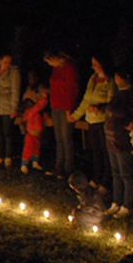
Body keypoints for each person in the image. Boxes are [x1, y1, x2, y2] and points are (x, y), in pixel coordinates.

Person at [68, 56, 113, 187]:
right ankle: (96, 177)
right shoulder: (93, 79)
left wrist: (100, 108)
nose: (93, 67)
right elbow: (86, 100)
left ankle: (106, 181)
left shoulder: (110, 81)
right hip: (91, 121)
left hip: (103, 121)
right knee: (96, 150)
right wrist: (76, 115)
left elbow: (112, 102)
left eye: (95, 64)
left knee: (105, 152)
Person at [104, 71, 133, 220]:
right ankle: (116, 202)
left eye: (119, 76)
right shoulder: (117, 93)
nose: (116, 79)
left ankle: (127, 204)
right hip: (111, 139)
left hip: (122, 140)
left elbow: (128, 113)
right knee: (115, 172)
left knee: (125, 173)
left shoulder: (130, 95)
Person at [44, 50, 80, 178]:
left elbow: (72, 89)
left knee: (66, 138)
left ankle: (69, 167)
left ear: (55, 58)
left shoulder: (69, 68)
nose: (49, 65)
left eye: (50, 61)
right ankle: (58, 165)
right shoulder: (56, 68)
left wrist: (69, 108)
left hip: (66, 107)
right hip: (55, 105)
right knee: (59, 138)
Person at [19, 85, 49, 174]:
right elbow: (39, 106)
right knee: (28, 150)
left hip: (37, 136)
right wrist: (44, 98)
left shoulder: (36, 113)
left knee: (36, 150)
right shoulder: (31, 112)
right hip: (31, 136)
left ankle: (35, 163)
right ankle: (24, 165)